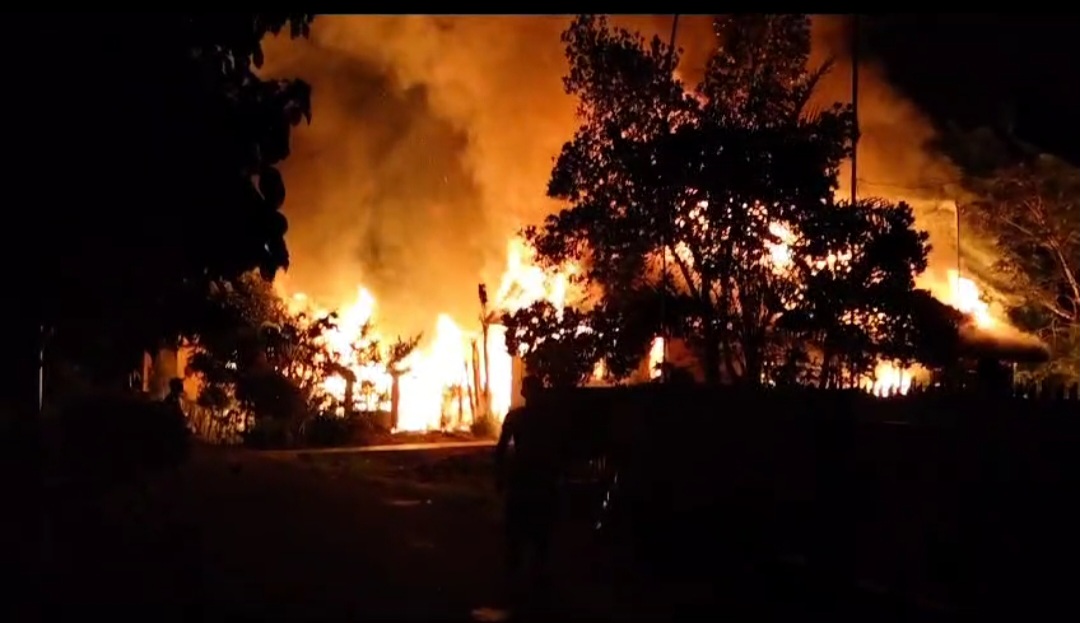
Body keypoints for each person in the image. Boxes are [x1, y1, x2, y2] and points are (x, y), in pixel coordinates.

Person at [494, 375, 561, 591]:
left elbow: (501, 450)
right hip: (538, 478)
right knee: (538, 532)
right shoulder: (549, 418)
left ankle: (518, 581)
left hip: (525, 478)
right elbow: (558, 450)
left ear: (524, 393)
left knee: (519, 531)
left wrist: (499, 477)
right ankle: (533, 580)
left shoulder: (516, 417)